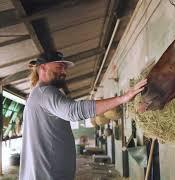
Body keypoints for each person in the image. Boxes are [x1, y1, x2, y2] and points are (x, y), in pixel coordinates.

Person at [19, 51, 147, 180]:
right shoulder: (45, 92)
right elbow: (73, 111)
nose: (64, 72)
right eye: (59, 67)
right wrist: (122, 98)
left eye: (64, 68)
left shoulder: (38, 94)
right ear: (43, 68)